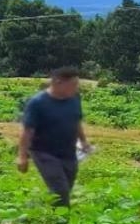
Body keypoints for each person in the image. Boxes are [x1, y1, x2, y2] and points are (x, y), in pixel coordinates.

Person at [16, 67, 92, 206]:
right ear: (58, 82)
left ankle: (49, 211)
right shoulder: (38, 103)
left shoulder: (74, 98)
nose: (76, 89)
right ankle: (62, 222)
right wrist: (22, 156)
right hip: (43, 152)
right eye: (73, 85)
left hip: (68, 152)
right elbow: (27, 131)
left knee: (65, 188)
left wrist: (83, 141)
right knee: (60, 190)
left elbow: (76, 121)